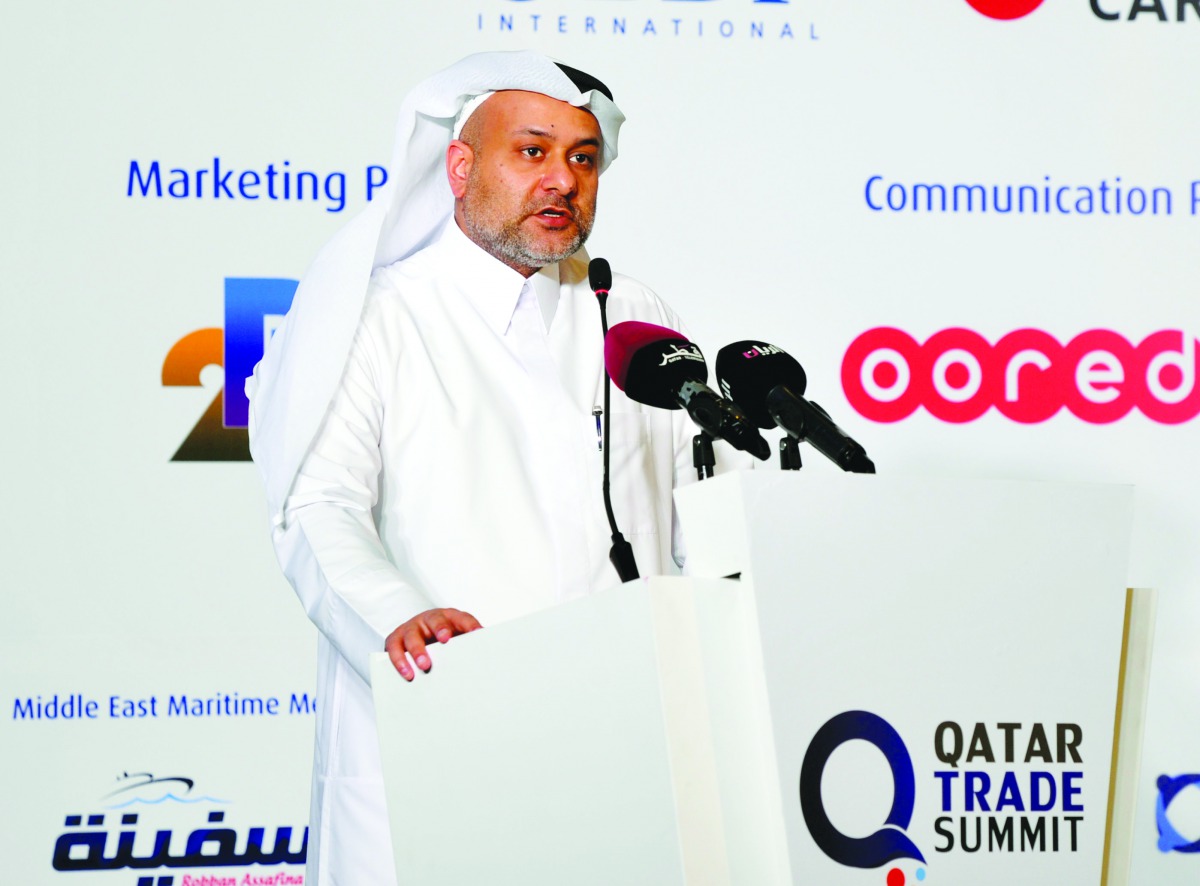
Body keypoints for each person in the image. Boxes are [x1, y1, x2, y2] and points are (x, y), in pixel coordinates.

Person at [247, 51, 697, 885]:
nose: (562, 179)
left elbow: (690, 521)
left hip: (616, 739)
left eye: (583, 157)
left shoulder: (634, 313)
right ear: (460, 167)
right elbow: (317, 505)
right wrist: (398, 617)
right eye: (532, 152)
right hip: (435, 720)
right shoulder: (377, 315)